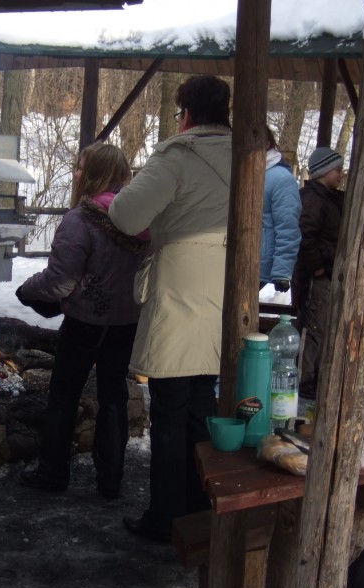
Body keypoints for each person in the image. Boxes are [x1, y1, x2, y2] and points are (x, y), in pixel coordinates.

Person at [108, 74, 232, 543]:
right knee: (201, 408)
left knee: (169, 411)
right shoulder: (245, 155)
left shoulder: (179, 156)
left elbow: (126, 215)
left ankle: (165, 516)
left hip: (180, 290)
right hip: (224, 288)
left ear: (187, 113)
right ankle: (199, 507)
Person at [17, 143, 149, 499]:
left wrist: (26, 290)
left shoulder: (80, 220)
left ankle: (53, 472)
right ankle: (111, 480)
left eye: (80, 167)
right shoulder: (141, 220)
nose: (75, 173)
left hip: (84, 323)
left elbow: (60, 282)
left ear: (93, 175)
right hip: (126, 322)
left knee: (64, 396)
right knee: (113, 397)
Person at [293, 146, 345, 405]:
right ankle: (304, 378)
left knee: (323, 325)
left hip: (327, 271)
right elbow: (306, 235)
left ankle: (316, 376)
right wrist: (317, 268)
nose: (341, 174)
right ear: (324, 171)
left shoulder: (330, 198)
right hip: (316, 275)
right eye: (337, 170)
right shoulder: (313, 199)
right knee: (313, 326)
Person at [261, 126, 301, 292]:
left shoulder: (281, 179)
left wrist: (282, 272)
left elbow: (288, 227)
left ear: (266, 144)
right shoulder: (239, 173)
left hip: (261, 265)